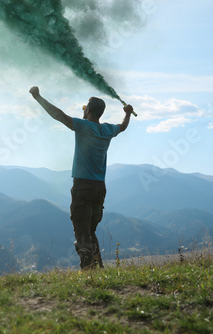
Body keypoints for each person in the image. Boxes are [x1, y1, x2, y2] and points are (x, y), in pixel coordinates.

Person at [29, 86, 133, 270]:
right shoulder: (107, 130)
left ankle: (89, 274)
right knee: (90, 232)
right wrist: (128, 113)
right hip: (99, 188)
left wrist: (38, 97)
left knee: (83, 234)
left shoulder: (83, 126)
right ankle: (97, 270)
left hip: (83, 187)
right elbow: (123, 127)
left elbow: (58, 115)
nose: (83, 110)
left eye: (85, 108)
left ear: (89, 111)